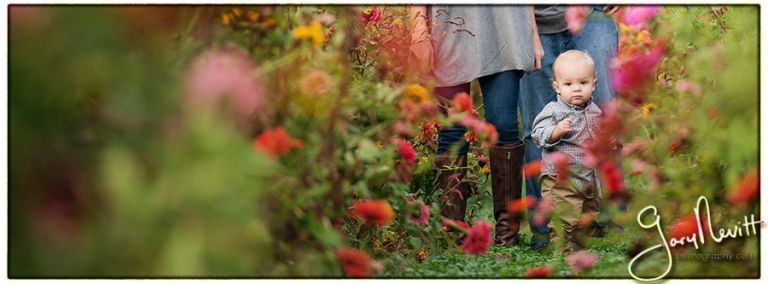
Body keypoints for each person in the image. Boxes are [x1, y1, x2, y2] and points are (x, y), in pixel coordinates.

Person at [408, 5, 545, 246]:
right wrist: (418, 30)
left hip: (507, 28)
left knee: (504, 127)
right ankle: (451, 234)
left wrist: (533, 33)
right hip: (449, 25)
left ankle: (507, 235)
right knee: (452, 131)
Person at [519, 5, 620, 248]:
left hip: (590, 17)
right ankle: (546, 228)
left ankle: (606, 220)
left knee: (605, 120)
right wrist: (530, 32)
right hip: (535, 22)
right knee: (537, 130)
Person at [531, 50, 606, 253]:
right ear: (557, 86)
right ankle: (563, 249)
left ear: (594, 84)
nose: (576, 89)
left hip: (587, 176)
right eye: (568, 84)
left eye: (583, 83)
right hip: (560, 179)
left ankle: (582, 243)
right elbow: (537, 134)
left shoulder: (595, 111)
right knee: (565, 215)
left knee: (587, 212)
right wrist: (556, 131)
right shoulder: (554, 111)